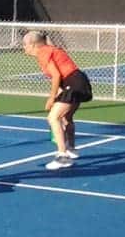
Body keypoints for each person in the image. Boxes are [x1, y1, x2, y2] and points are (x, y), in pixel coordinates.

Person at [22, 30, 93, 170]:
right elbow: (62, 75)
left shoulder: (43, 52)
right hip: (78, 80)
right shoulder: (50, 50)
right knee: (66, 118)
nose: (23, 47)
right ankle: (71, 149)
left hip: (73, 82)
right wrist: (58, 96)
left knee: (53, 117)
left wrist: (51, 98)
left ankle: (63, 156)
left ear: (33, 44)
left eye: (24, 44)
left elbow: (56, 76)